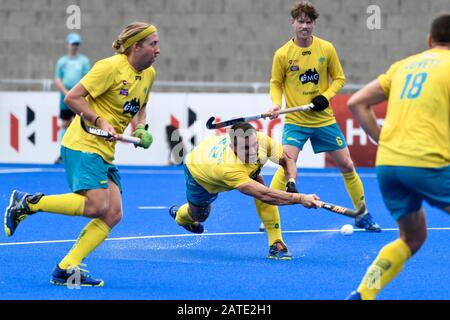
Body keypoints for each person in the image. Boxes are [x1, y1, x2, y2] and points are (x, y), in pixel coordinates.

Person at [4, 22, 160, 286]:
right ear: (137, 46)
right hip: (83, 143)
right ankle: (28, 203)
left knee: (113, 214)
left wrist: (141, 127)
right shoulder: (109, 67)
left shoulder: (149, 74)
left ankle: (66, 268)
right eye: (153, 43)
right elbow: (73, 98)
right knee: (97, 206)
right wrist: (101, 121)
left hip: (105, 150)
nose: (158, 49)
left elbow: (141, 105)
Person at [346, 14, 450, 300]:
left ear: (430, 41)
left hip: (388, 165)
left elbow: (357, 103)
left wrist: (385, 142)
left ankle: (363, 294)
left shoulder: (403, 65)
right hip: (427, 162)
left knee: (412, 238)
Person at [266, 1, 380, 232]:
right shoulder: (282, 54)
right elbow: (276, 83)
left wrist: (325, 97)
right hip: (296, 122)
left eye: (309, 22)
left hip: (324, 119)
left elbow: (339, 78)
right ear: (293, 23)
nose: (304, 26)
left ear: (314, 24)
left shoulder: (326, 48)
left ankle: (362, 213)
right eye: (300, 21)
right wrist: (276, 104)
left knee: (347, 165)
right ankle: (269, 215)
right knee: (286, 165)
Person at [169, 122, 323, 259]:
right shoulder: (228, 169)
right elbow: (266, 195)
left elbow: (287, 160)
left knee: (261, 186)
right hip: (198, 170)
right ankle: (180, 216)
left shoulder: (262, 141)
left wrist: (291, 181)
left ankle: (276, 243)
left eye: (254, 145)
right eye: (246, 148)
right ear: (233, 147)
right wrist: (301, 198)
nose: (252, 152)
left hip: (226, 160)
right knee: (200, 215)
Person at [54, 32, 91, 164]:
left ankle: (77, 154)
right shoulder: (62, 62)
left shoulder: (84, 61)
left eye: (76, 44)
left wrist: (77, 93)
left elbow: (87, 78)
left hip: (78, 97)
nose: (74, 46)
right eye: (72, 44)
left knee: (80, 124)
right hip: (65, 97)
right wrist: (66, 92)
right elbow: (58, 78)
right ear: (67, 45)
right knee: (65, 124)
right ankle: (62, 153)